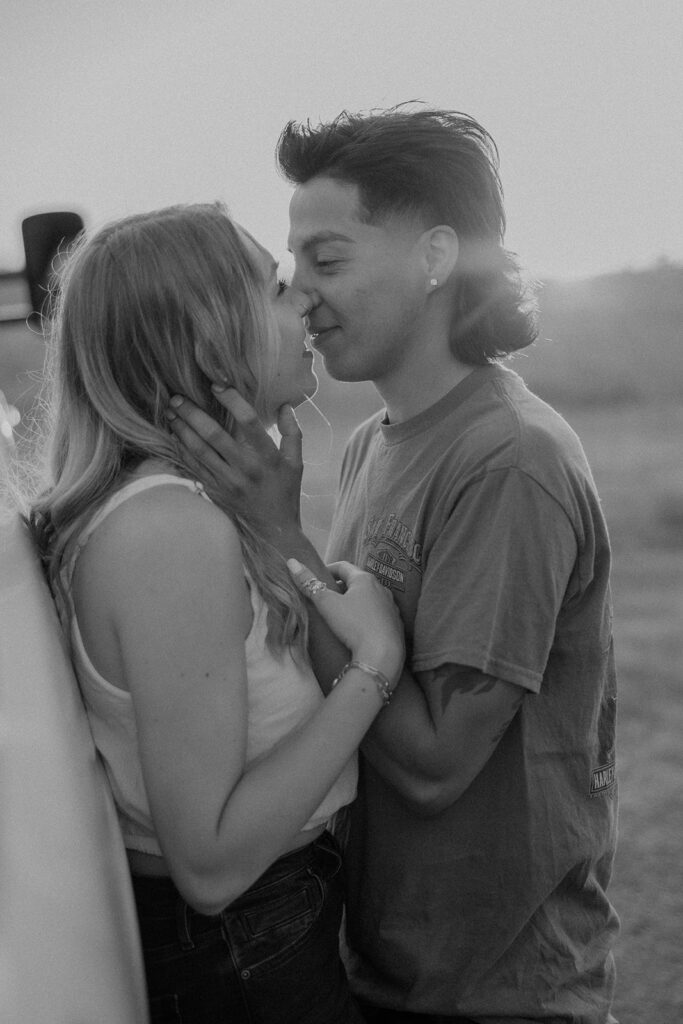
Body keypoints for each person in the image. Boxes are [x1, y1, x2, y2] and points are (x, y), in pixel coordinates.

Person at [167, 107, 619, 1024]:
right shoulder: (375, 442)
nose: (300, 297)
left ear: (437, 257)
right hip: (386, 971)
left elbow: (434, 767)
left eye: (327, 261)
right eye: (293, 270)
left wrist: (278, 535)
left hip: (496, 994)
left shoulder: (509, 460)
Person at [28, 203, 406, 1024]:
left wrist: (277, 528)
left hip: (265, 931)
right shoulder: (167, 530)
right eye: (273, 285)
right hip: (242, 948)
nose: (301, 302)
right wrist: (376, 668)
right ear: (204, 336)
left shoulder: (180, 512)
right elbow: (208, 863)